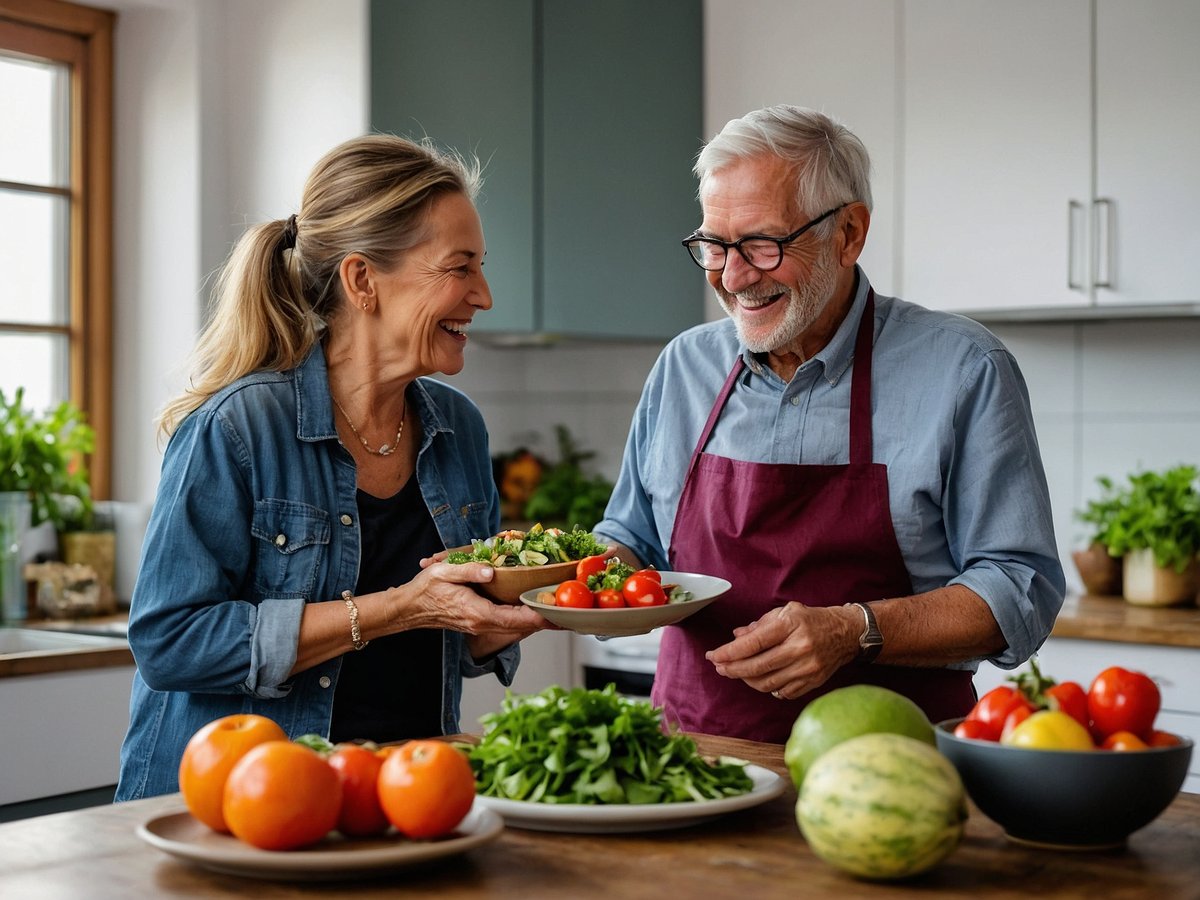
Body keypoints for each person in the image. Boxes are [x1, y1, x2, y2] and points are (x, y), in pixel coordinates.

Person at [594, 105, 1065, 743]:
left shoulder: (963, 368)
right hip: (694, 761)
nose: (733, 278)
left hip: (892, 768)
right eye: (714, 246)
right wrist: (549, 585)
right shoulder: (685, 366)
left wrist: (856, 629)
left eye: (763, 243)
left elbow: (1019, 587)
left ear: (848, 234)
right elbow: (634, 543)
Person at [116, 134, 551, 800]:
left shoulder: (458, 428)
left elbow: (456, 640)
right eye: (460, 267)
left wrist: (523, 607)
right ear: (361, 280)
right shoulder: (238, 428)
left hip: (404, 805)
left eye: (481, 267)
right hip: (243, 813)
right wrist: (396, 609)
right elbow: (171, 641)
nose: (484, 295)